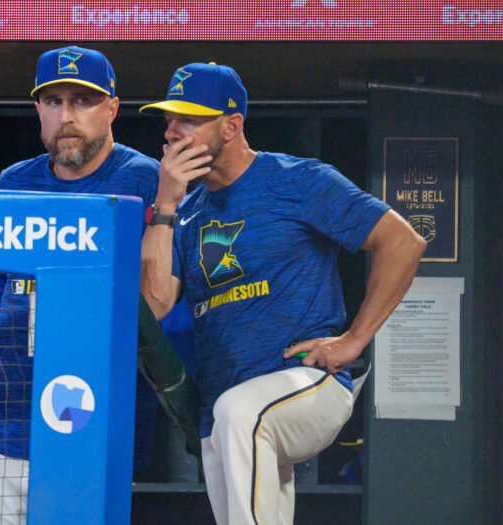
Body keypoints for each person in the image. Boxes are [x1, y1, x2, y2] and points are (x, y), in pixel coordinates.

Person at [139, 62, 426, 525]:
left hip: (306, 385)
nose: (171, 131)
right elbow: (152, 306)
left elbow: (403, 242)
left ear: (231, 125)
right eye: (169, 119)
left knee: (240, 414)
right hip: (226, 413)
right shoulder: (186, 212)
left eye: (189, 118)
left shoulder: (295, 179)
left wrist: (353, 340)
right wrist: (166, 206)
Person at [0, 45, 161, 524]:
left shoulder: (142, 179)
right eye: (53, 102)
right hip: (3, 404)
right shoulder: (14, 181)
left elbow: (162, 292)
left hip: (91, 410)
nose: (66, 115)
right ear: (38, 111)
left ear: (112, 108)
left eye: (82, 101)